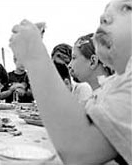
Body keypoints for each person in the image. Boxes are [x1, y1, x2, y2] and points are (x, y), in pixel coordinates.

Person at [9, 0, 132, 164]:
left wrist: (34, 54)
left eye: (127, 8)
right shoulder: (112, 84)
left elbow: (81, 150)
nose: (104, 16)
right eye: (106, 10)